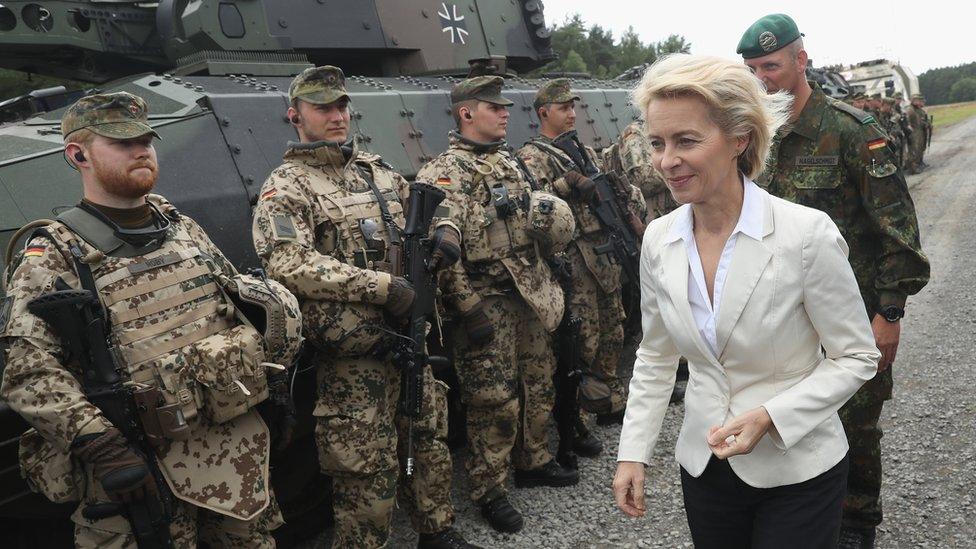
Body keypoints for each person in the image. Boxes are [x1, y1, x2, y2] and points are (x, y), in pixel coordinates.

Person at [0, 92, 300, 547]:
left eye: (145, 139)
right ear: (77, 155)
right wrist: (101, 446)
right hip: (137, 470)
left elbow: (236, 305)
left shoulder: (179, 227)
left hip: (228, 455)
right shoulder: (54, 255)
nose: (140, 149)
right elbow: (27, 371)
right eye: (121, 142)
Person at [612, 54, 881, 548]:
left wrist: (771, 416)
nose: (666, 161)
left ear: (740, 139)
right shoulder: (658, 239)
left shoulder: (805, 234)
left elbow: (856, 356)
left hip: (797, 467)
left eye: (686, 141)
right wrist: (634, 452)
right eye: (657, 143)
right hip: (705, 469)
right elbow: (655, 354)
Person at [251, 66, 475, 548]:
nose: (338, 115)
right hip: (356, 356)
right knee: (364, 471)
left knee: (429, 443)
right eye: (323, 107)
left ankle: (437, 534)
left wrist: (447, 232)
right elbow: (286, 260)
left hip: (410, 336)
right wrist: (378, 286)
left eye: (342, 106)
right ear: (295, 115)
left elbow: (440, 203)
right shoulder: (287, 185)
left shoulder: (375, 171)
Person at [737, 14, 930, 548]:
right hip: (779, 317)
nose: (761, 79)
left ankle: (857, 521)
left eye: (771, 66)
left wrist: (888, 314)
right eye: (751, 69)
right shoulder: (754, 139)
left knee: (856, 422)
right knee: (791, 416)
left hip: (850, 315)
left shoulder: (851, 132)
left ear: (802, 61)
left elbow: (899, 235)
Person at [416, 75, 578, 534]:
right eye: (495, 107)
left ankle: (533, 459)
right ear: (467, 113)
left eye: (505, 107)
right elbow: (441, 255)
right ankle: (489, 488)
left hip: (527, 292)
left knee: (538, 379)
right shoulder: (443, 175)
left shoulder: (508, 165)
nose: (506, 113)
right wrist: (469, 310)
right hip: (485, 301)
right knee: (494, 401)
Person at [517, 78, 641, 439]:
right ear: (544, 113)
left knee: (612, 326)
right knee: (583, 335)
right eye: (564, 108)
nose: (572, 114)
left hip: (601, 249)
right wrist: (564, 185)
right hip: (573, 254)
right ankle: (579, 420)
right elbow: (532, 205)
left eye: (573, 107)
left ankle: (610, 400)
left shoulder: (581, 150)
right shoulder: (532, 156)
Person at [603, 120, 678, 222]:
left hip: (677, 210)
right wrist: (679, 171)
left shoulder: (669, 128)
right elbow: (642, 179)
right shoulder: (635, 132)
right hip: (659, 217)